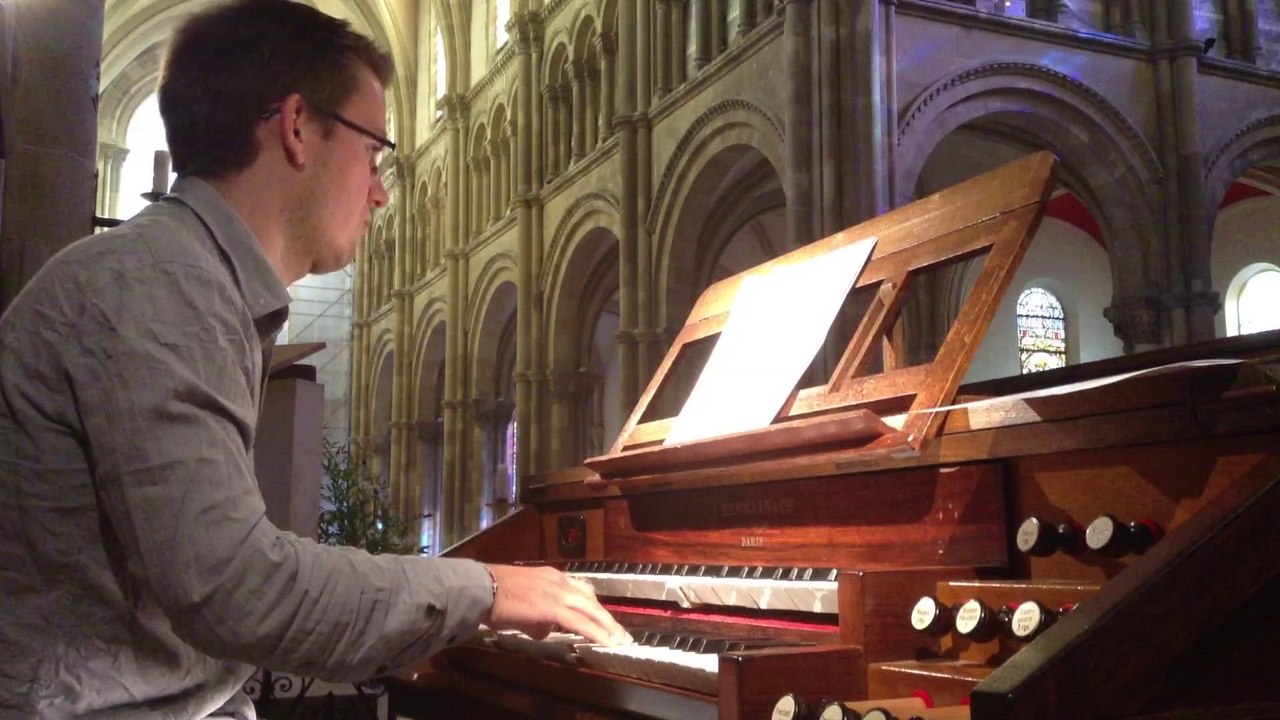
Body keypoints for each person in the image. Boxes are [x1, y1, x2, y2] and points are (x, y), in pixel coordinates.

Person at [0, 1, 628, 717]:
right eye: (374, 150)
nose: (382, 190)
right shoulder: (162, 284)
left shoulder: (187, 279)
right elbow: (236, 589)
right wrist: (487, 589)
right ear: (297, 127)